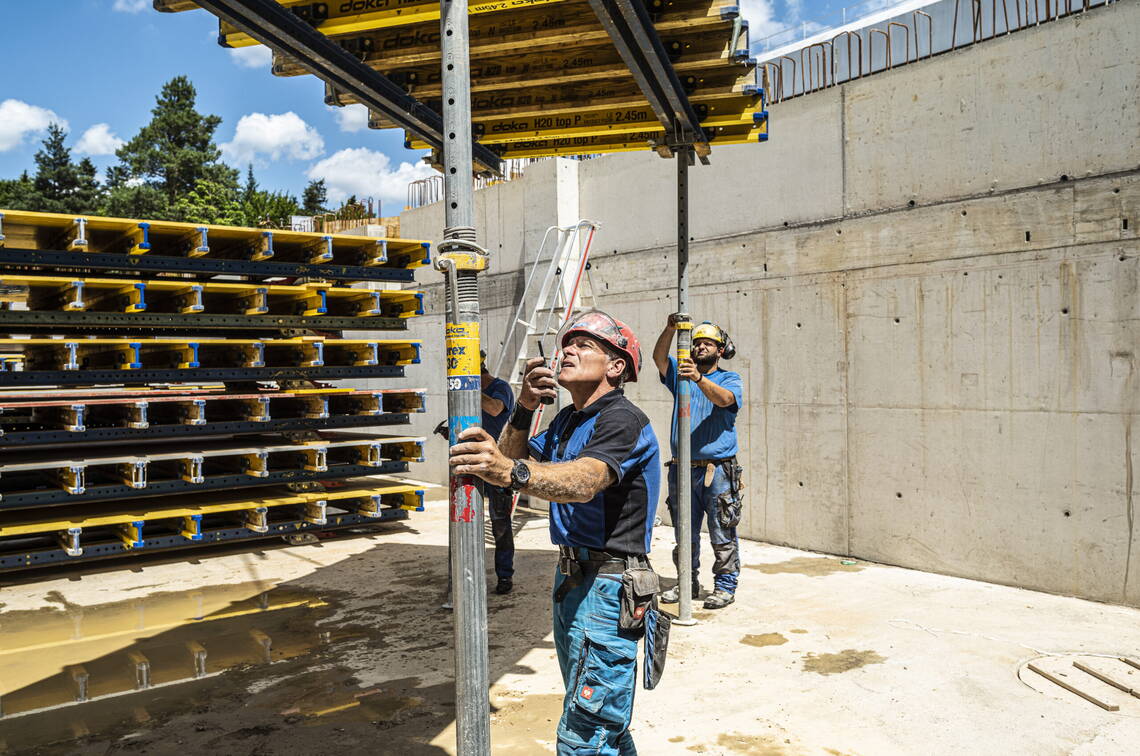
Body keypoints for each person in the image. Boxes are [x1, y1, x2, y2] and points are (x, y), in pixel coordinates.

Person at [449, 311, 660, 755]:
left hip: (607, 586)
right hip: (573, 582)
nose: (567, 350)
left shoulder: (623, 419)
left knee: (586, 734)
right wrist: (524, 407)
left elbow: (583, 482)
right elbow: (509, 462)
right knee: (603, 727)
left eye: (584, 345)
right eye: (567, 343)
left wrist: (509, 468)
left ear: (616, 366)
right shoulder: (566, 420)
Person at [652, 316, 744, 610]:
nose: (701, 346)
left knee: (722, 531)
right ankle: (686, 582)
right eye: (697, 342)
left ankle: (725, 587)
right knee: (684, 533)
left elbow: (725, 399)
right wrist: (670, 329)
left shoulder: (729, 379)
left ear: (720, 350)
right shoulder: (680, 375)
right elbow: (658, 358)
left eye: (709, 343)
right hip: (682, 469)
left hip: (716, 470)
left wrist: (698, 379)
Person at [479, 351, 517, 594]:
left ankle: (505, 576)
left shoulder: (500, 388)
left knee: (500, 523)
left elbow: (494, 409)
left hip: (498, 463)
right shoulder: (470, 392)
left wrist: (468, 387)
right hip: (473, 461)